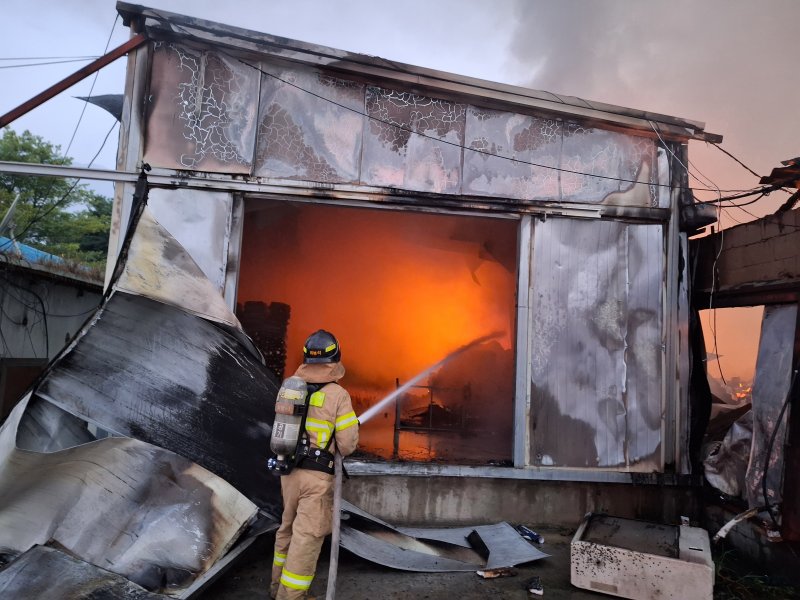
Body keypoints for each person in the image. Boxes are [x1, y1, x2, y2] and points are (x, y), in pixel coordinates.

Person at [271, 329, 359, 600]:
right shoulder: (337, 395)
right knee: (306, 537)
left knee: (286, 528)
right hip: (317, 478)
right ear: (336, 358)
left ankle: (276, 590)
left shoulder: (291, 387)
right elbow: (347, 445)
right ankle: (292, 597)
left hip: (289, 472)